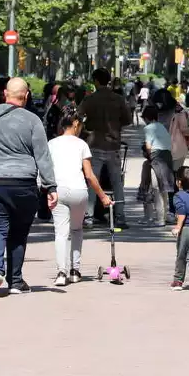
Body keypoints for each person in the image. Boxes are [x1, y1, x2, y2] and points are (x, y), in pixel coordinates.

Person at [0, 77, 57, 296]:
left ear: (5, 94)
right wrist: (51, 187)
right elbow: (43, 156)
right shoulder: (33, 120)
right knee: (19, 231)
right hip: (23, 183)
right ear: (26, 96)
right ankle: (16, 281)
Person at [48, 107, 111, 286]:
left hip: (58, 190)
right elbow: (89, 175)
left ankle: (61, 272)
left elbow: (45, 170)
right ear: (75, 124)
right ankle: (75, 271)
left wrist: (46, 190)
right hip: (78, 191)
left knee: (61, 233)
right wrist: (103, 196)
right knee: (76, 230)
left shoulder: (51, 144)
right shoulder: (81, 145)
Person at [77, 68, 132, 229]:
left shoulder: (89, 100)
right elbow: (127, 120)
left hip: (94, 144)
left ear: (95, 81)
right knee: (117, 183)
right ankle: (120, 217)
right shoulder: (118, 99)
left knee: (93, 181)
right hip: (113, 145)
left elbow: (79, 117)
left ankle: (88, 217)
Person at [138, 105, 174, 227]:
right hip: (167, 158)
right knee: (163, 188)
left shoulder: (148, 128)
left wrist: (147, 155)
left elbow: (148, 147)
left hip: (156, 158)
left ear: (147, 118)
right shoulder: (162, 127)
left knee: (155, 188)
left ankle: (158, 218)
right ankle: (163, 216)